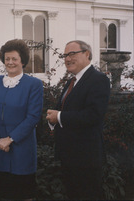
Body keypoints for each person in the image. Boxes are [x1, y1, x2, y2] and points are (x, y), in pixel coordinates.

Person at [46, 40, 110, 200]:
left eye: (72, 54)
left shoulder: (99, 79)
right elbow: (62, 109)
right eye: (65, 55)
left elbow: (94, 115)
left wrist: (59, 116)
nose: (67, 58)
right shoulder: (71, 81)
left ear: (87, 54)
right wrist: (52, 119)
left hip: (86, 158)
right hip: (69, 157)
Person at [0, 39, 43, 200]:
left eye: (14, 59)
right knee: (3, 193)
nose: (10, 62)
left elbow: (33, 117)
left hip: (22, 149)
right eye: (7, 59)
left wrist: (9, 139)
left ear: (22, 60)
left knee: (24, 194)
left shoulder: (34, 84)